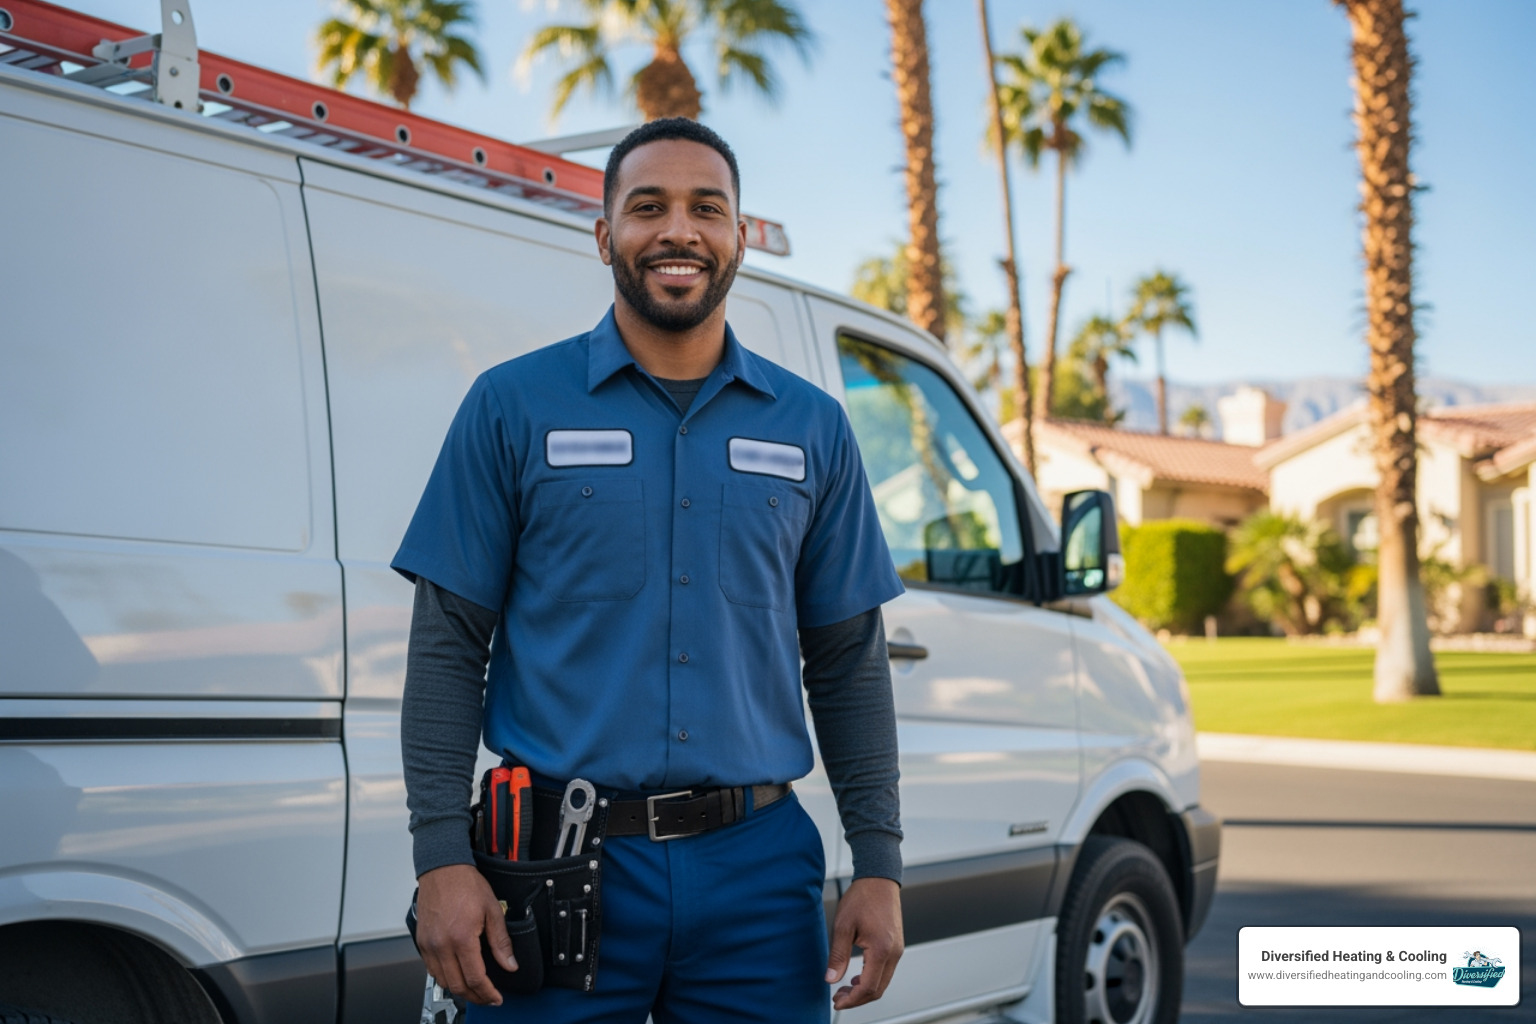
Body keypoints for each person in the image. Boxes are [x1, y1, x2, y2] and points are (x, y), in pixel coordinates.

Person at [393, 117, 906, 1023]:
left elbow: (846, 663)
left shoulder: (812, 427)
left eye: (708, 208)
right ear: (604, 237)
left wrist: (879, 864)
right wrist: (441, 856)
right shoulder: (510, 405)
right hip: (549, 867)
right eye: (648, 207)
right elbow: (446, 647)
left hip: (757, 873)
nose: (680, 231)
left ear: (740, 236)